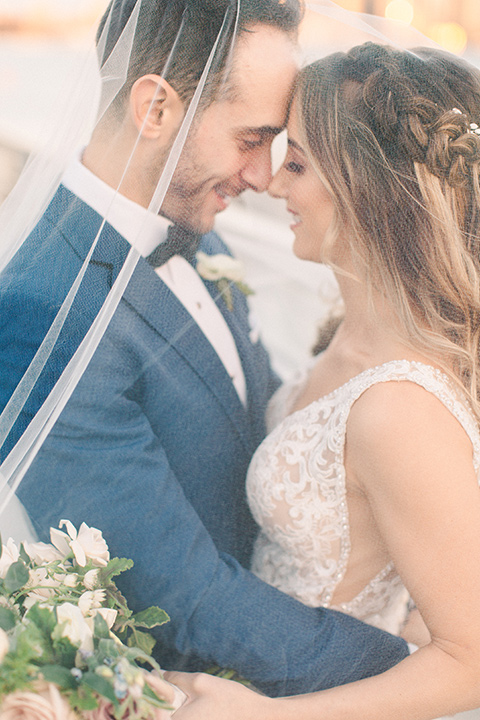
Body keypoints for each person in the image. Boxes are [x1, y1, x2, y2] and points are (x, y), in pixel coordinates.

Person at [0, 0, 409, 699]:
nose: (261, 177)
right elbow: (184, 596)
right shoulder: (44, 310)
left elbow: (272, 427)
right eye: (253, 139)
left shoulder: (190, 218)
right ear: (154, 109)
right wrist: (419, 668)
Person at [165, 41, 480, 719]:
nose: (274, 185)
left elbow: (471, 660)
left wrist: (268, 716)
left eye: (299, 164)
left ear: (368, 187)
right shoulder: (354, 332)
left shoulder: (400, 408)